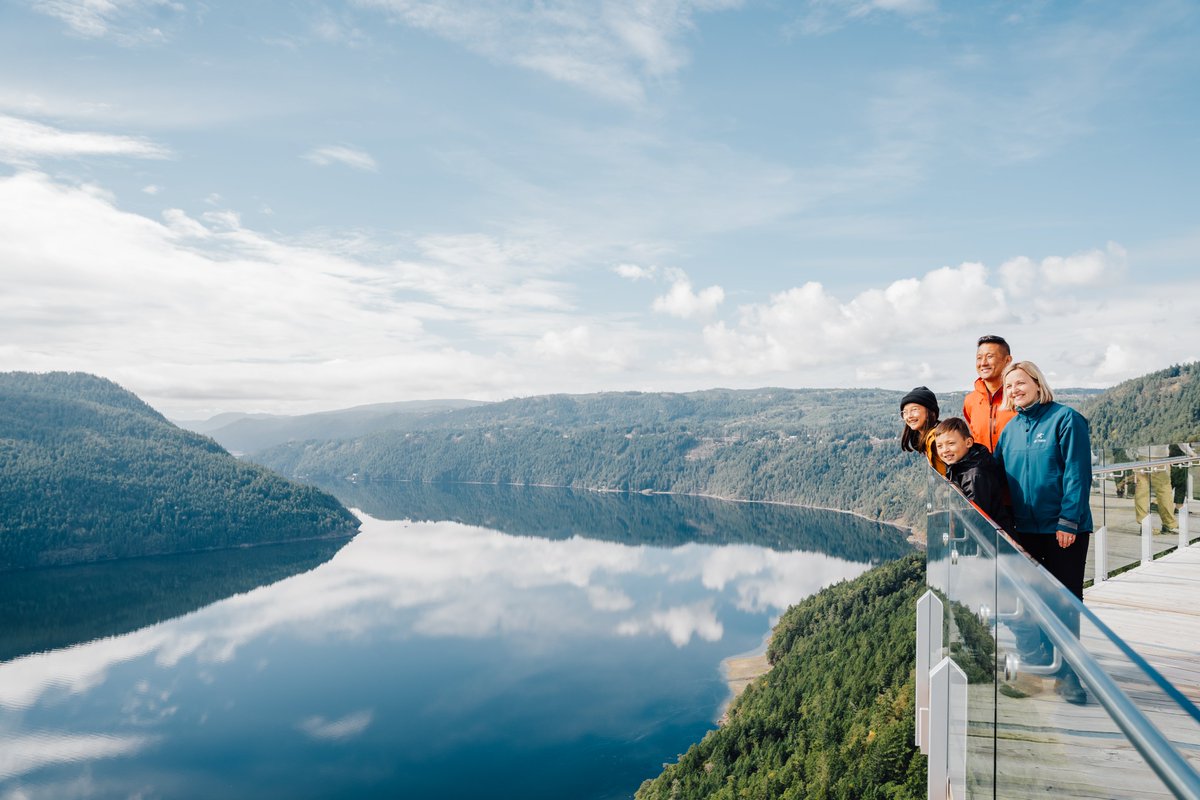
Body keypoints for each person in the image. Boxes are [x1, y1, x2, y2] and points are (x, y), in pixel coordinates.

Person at [993, 361, 1092, 705]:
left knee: (1065, 604)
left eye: (1020, 382)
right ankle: (1041, 670)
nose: (1014, 390)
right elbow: (996, 479)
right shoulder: (1010, 430)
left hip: (1063, 530)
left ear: (1037, 383)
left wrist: (1069, 522)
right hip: (1025, 531)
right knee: (1032, 605)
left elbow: (1077, 474)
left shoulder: (1066, 419)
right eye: (1008, 386)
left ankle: (1069, 676)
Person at [933, 417, 1012, 530]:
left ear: (969, 442)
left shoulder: (974, 475)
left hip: (992, 540)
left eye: (951, 443)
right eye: (939, 446)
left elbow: (976, 518)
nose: (945, 450)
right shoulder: (960, 467)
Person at [963, 334, 1015, 452]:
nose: (983, 363)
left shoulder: (1018, 397)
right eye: (979, 358)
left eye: (990, 356)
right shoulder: (970, 401)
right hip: (984, 469)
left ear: (1007, 360)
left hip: (1016, 469)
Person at [900, 386, 945, 476]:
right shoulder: (928, 438)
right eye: (905, 412)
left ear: (931, 412)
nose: (909, 416)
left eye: (914, 410)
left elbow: (947, 477)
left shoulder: (937, 439)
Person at [1133, 444, 1178, 534]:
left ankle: (1144, 524)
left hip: (1141, 454)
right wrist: (1190, 452)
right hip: (1159, 457)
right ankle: (1169, 524)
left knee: (1142, 488)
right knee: (1163, 489)